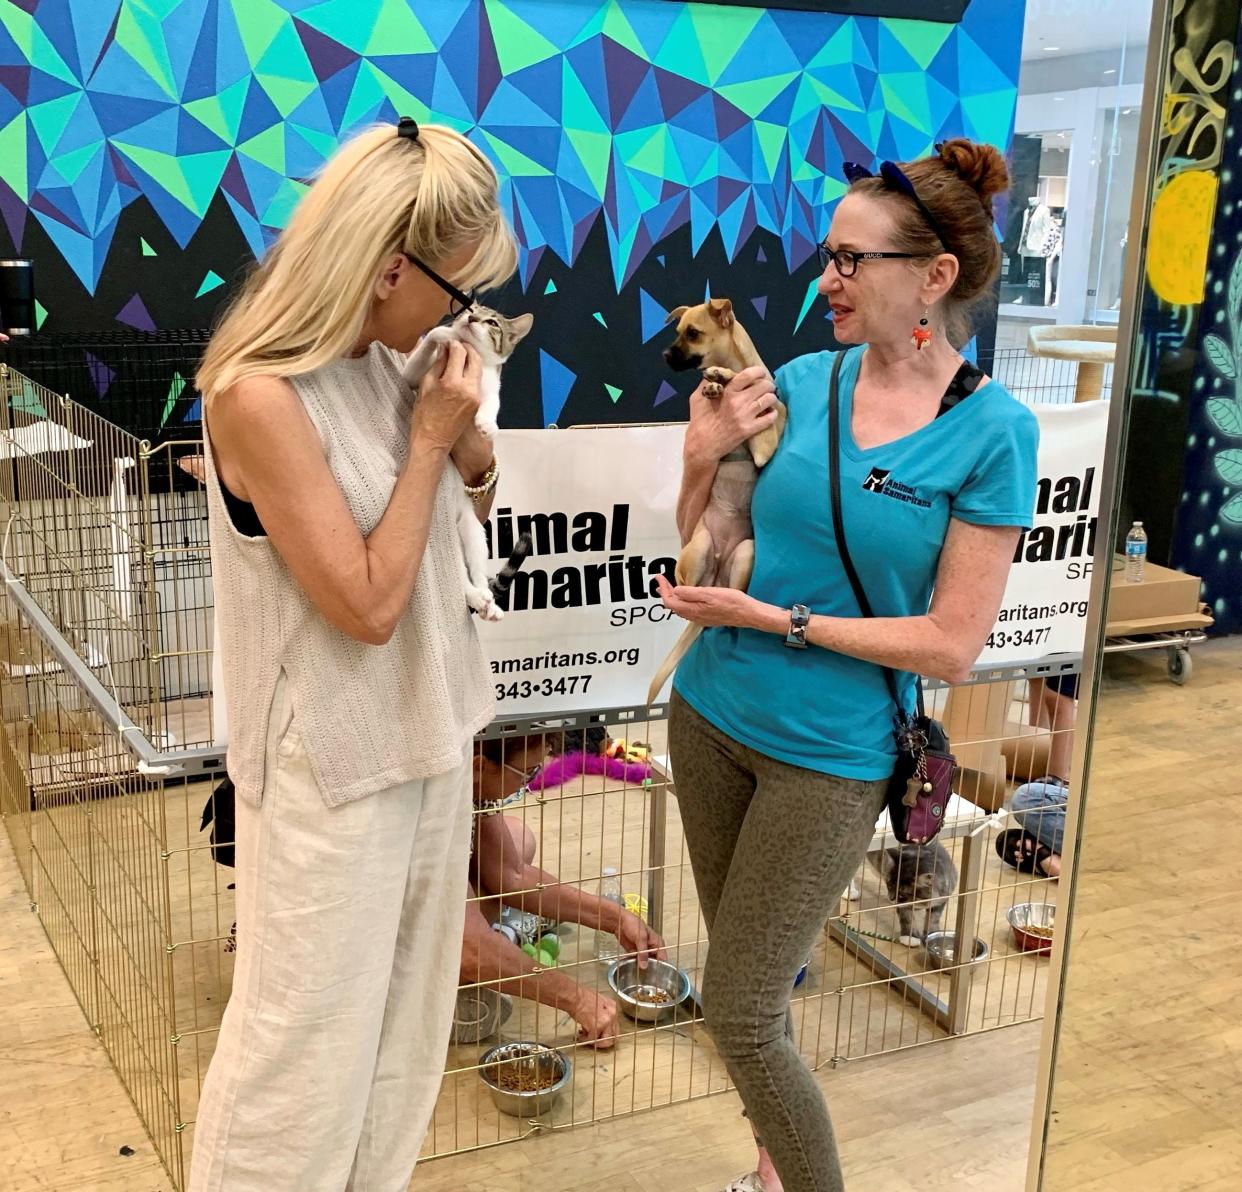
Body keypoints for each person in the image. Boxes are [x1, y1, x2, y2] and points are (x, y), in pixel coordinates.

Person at [655, 139, 1039, 1192]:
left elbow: (953, 645)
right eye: (827, 255)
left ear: (934, 278)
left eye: (849, 260)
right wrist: (695, 461)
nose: (825, 279)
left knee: (735, 1007)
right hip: (709, 714)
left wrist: (780, 619)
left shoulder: (992, 432)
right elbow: (707, 521)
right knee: (762, 1003)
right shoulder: (802, 383)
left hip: (829, 756)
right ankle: (770, 1175)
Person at [188, 119, 518, 1192]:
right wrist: (430, 439)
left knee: (402, 1039)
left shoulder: (388, 357)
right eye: (453, 290)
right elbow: (366, 602)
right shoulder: (257, 393)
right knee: (299, 1056)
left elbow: (469, 501)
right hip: (332, 764)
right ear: (387, 268)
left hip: (426, 735)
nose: (456, 314)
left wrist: (466, 445)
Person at [460, 734, 666, 1047]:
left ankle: (501, 944)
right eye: (527, 772)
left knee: (518, 839)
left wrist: (614, 917)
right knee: (475, 922)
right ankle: (452, 993)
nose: (532, 781)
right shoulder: (437, 813)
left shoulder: (470, 785)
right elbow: (467, 946)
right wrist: (576, 999)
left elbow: (510, 875)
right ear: (479, 766)